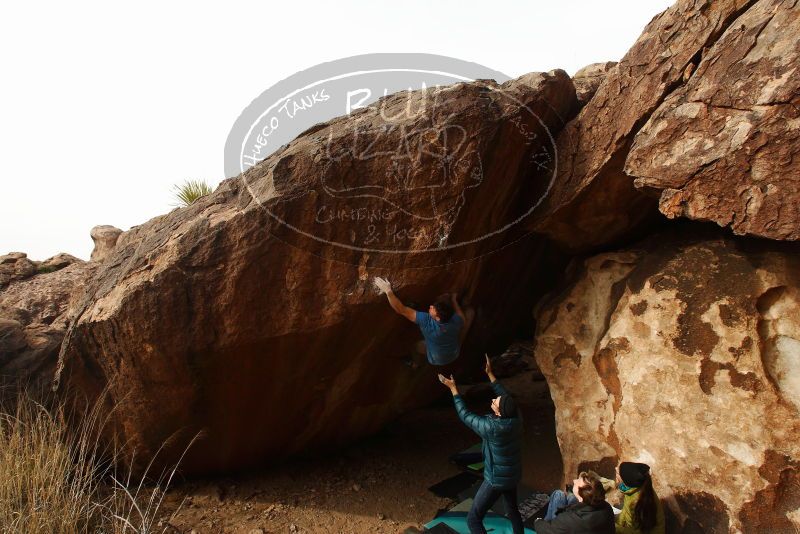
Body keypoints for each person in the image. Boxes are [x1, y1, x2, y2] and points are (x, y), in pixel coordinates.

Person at [438, 355, 523, 534]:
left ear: (499, 413)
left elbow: (465, 415)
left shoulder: (492, 428)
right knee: (513, 511)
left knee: (473, 519)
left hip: (495, 480)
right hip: (512, 475)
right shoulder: (516, 417)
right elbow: (505, 396)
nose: (492, 400)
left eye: (495, 403)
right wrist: (490, 374)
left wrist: (453, 389)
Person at [373, 277, 472, 368]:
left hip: (436, 358)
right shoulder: (455, 321)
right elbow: (461, 317)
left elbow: (400, 309)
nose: (431, 306)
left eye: (433, 309)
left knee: (416, 347)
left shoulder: (427, 322)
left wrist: (388, 291)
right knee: (469, 313)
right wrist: (454, 300)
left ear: (437, 318)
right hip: (453, 353)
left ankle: (415, 364)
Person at [533, 470, 615, 534]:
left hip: (560, 527)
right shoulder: (606, 507)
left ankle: (547, 521)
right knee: (560, 494)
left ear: (581, 497)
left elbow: (548, 531)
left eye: (577, 483)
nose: (574, 480)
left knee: (558, 495)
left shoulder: (570, 520)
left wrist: (538, 521)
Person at [615, 462, 665, 534]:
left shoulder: (637, 502)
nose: (615, 469)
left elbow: (637, 532)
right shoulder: (633, 487)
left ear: (626, 480)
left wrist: (617, 528)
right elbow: (626, 508)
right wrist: (619, 522)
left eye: (618, 472)